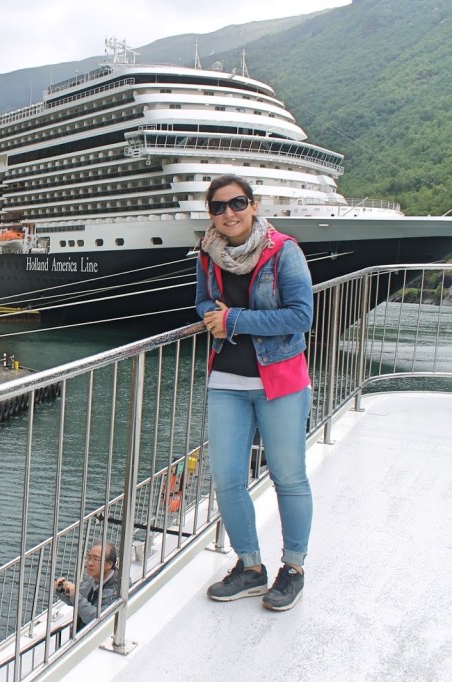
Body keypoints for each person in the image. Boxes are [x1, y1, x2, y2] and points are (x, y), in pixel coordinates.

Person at [197, 174, 313, 612]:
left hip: (279, 379)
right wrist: (211, 315)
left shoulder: (283, 250)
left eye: (237, 203)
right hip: (226, 380)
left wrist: (235, 320)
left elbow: (300, 316)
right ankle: (250, 567)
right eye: (218, 207)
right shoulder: (208, 252)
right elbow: (203, 301)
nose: (229, 213)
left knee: (289, 476)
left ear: (254, 205)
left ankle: (293, 568)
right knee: (227, 479)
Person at [54, 543, 118, 630]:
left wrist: (75, 595)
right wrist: (63, 591)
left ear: (109, 564)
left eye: (96, 559)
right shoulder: (92, 579)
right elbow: (74, 601)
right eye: (89, 558)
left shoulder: (117, 590)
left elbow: (95, 619)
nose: (90, 563)